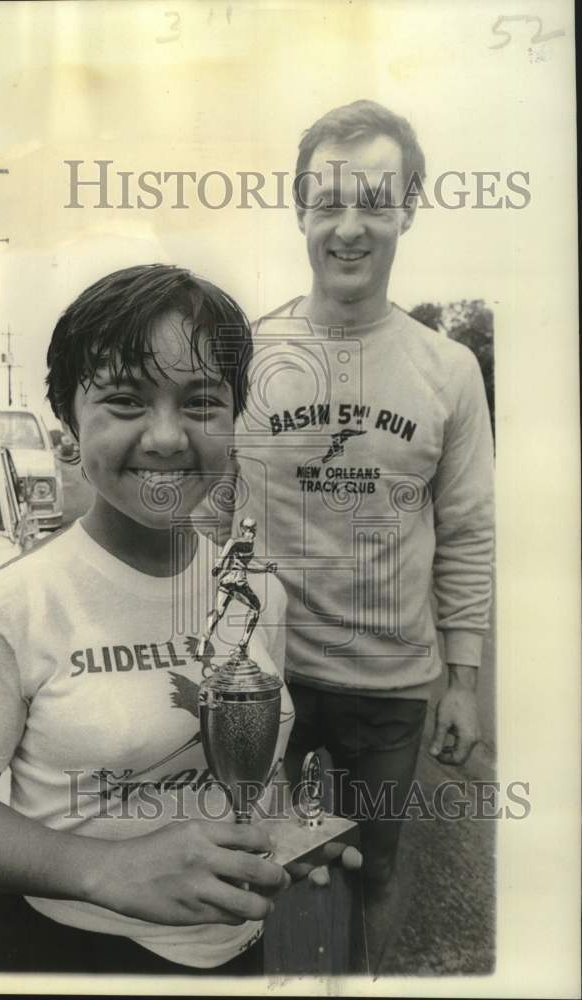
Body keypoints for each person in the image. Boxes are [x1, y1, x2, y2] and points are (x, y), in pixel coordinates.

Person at [0, 264, 350, 976]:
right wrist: (105, 868)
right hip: (72, 953)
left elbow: (242, 773)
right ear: (68, 421)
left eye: (202, 403)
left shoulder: (255, 592)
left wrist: (286, 837)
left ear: (233, 418)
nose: (167, 437)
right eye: (124, 400)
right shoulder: (14, 605)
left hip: (238, 947)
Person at [230, 100, 495, 969]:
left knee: (371, 874)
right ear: (298, 207)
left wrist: (461, 679)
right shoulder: (251, 358)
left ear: (408, 207)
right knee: (259, 873)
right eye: (327, 201)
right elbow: (203, 522)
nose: (349, 228)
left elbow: (463, 528)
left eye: (374, 201)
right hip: (266, 685)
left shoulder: (447, 369)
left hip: (390, 689)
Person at [196, 518, 277, 659]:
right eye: (250, 529)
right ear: (244, 529)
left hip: (227, 581)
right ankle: (242, 646)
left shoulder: (247, 544)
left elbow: (245, 565)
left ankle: (204, 640)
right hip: (238, 581)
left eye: (253, 529)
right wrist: (219, 563)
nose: (252, 532)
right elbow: (231, 543)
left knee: (218, 612)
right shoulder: (246, 542)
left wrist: (265, 568)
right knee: (255, 607)